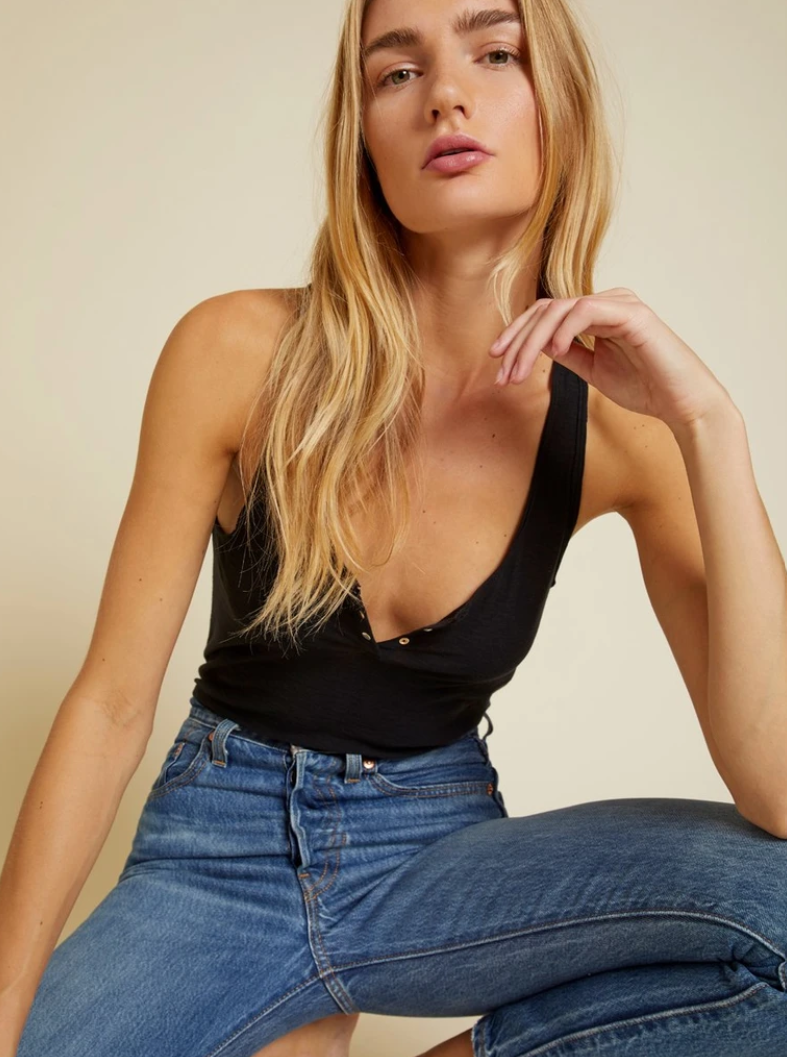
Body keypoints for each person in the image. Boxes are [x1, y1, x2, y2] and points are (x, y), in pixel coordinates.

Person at [4, 0, 787, 1054]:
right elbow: (108, 705)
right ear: (364, 133)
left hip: (431, 855)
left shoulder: (622, 422)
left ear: (558, 99)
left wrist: (709, 425)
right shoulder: (234, 350)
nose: (446, 95)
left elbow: (777, 786)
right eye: (396, 72)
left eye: (494, 52)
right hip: (215, 856)